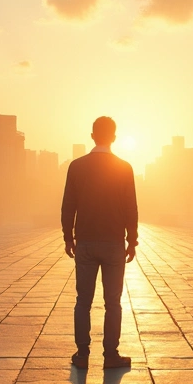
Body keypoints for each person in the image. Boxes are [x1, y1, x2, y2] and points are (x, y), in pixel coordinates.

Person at [61, 116, 138, 370]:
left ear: (92, 136)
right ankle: (110, 356)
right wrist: (132, 240)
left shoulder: (77, 166)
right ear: (114, 137)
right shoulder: (124, 168)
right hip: (114, 243)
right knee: (112, 302)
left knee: (83, 300)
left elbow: (68, 205)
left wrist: (68, 237)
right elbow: (131, 208)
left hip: (85, 243)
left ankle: (82, 355)